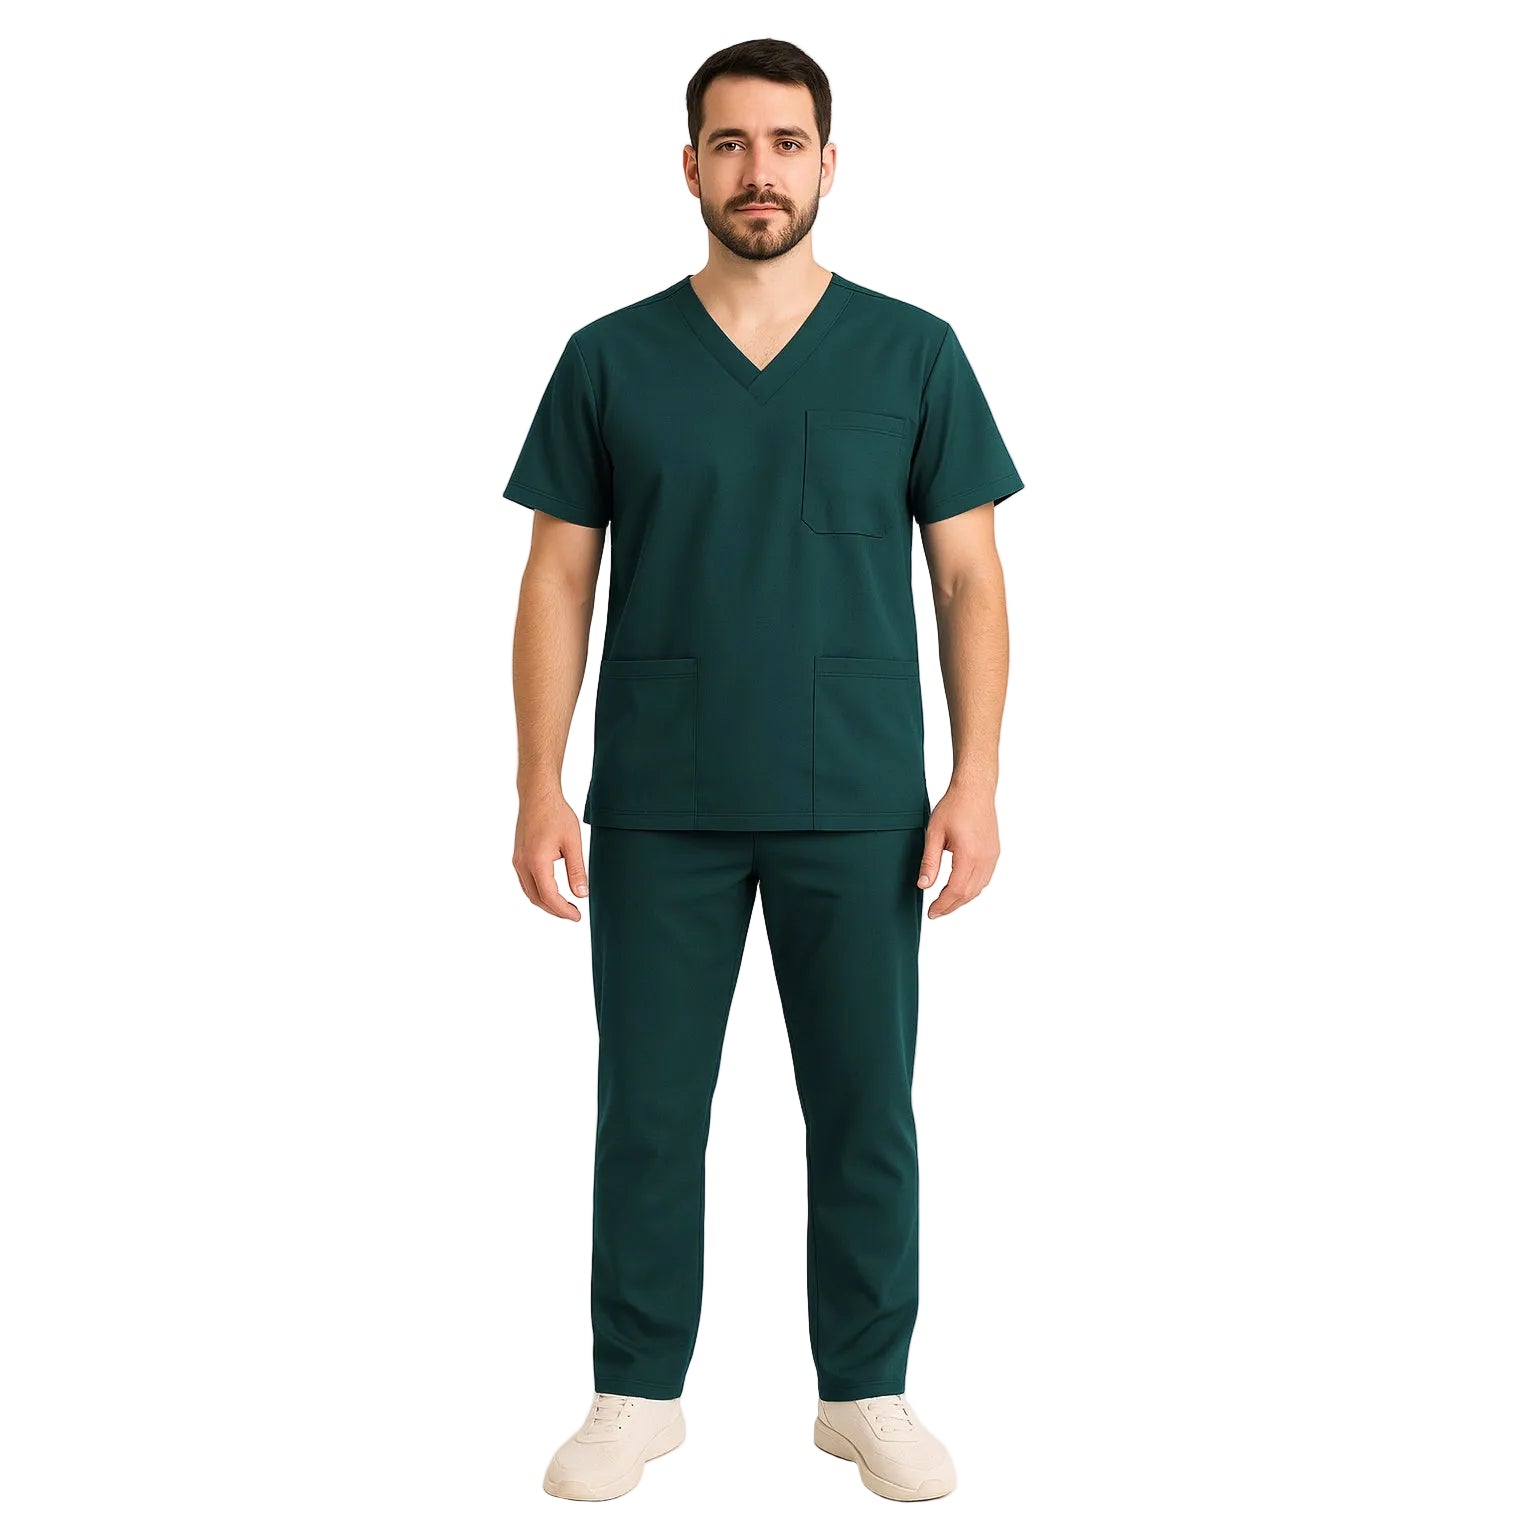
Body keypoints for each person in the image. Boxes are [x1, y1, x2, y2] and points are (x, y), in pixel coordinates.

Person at [504, 37, 1023, 1503]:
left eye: (786, 144)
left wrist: (976, 779)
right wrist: (540, 783)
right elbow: (556, 578)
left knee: (864, 1109)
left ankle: (865, 1391)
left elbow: (970, 579)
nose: (759, 172)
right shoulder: (610, 358)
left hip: (858, 799)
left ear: (829, 164)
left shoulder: (913, 353)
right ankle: (634, 1392)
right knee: (648, 1111)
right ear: (690, 166)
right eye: (730, 144)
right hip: (658, 801)